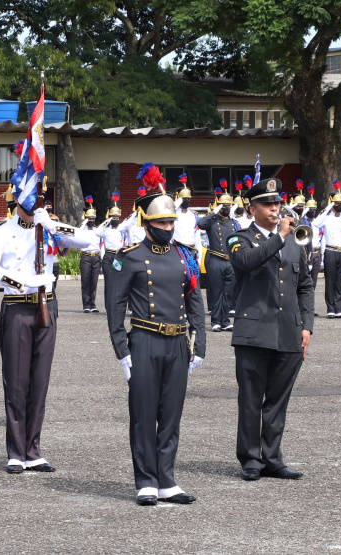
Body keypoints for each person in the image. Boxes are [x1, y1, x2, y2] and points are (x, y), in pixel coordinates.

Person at [106, 163, 206, 506]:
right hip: (145, 340)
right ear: (146, 223)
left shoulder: (185, 255)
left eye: (170, 222)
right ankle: (146, 480)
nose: (167, 227)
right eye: (161, 223)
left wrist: (199, 344)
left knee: (172, 415)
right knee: (144, 415)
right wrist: (122, 350)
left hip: (178, 341)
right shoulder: (129, 258)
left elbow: (194, 301)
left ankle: (167, 479)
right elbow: (115, 306)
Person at [0, 197, 97, 474]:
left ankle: (33, 450)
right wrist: (22, 282)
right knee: (17, 383)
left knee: (40, 382)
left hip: (47, 308)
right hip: (17, 307)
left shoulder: (49, 229)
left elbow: (90, 240)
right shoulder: (2, 232)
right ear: (17, 199)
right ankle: (16, 452)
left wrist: (54, 226)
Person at [228, 177, 314, 481]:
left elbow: (305, 285)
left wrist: (307, 326)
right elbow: (246, 261)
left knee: (278, 401)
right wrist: (279, 236)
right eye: (267, 204)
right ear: (252, 209)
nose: (275, 208)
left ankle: (273, 458)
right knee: (251, 400)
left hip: (289, 332)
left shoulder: (294, 240)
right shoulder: (239, 238)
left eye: (277, 203)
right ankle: (251, 459)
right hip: (253, 333)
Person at [197, 185, 238, 331]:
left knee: (228, 293)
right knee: (216, 292)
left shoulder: (234, 223)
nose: (226, 208)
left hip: (230, 261)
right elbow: (200, 224)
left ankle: (225, 321)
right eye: (223, 205)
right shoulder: (212, 221)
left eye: (228, 205)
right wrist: (214, 211)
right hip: (215, 259)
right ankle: (215, 321)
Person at [314, 180, 341, 318]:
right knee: (330, 281)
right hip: (330, 251)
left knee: (339, 282)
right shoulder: (325, 218)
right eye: (337, 203)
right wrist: (329, 206)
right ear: (332, 203)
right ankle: (330, 309)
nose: (340, 205)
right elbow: (316, 223)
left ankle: (339, 308)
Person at [96, 194, 124, 304]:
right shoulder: (106, 229)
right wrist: (107, 221)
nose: (115, 219)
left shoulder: (121, 228)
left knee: (117, 281)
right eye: (114, 217)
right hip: (108, 256)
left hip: (118, 257)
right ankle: (108, 305)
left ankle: (116, 304)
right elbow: (97, 232)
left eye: (117, 217)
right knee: (108, 281)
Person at [78, 197, 103, 313]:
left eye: (93, 218)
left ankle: (92, 304)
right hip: (86, 257)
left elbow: (102, 244)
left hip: (96, 257)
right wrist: (85, 219)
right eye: (90, 219)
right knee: (85, 281)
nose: (91, 220)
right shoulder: (83, 229)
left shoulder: (97, 230)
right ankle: (86, 305)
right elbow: (78, 230)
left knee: (94, 282)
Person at [303, 186, 322, 289]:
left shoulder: (317, 222)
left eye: (314, 209)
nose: (313, 211)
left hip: (316, 253)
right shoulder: (303, 221)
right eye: (311, 209)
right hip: (305, 253)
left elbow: (321, 238)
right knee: (304, 280)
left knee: (313, 281)